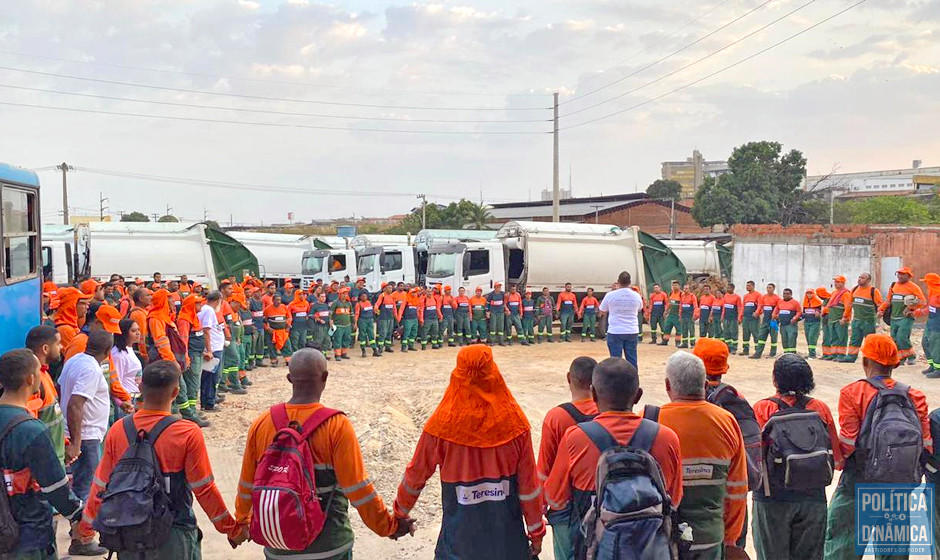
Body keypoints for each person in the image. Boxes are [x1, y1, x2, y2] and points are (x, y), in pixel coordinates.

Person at [236, 349, 412, 558]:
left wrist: (241, 524)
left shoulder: (262, 424)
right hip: (330, 546)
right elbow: (358, 489)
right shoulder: (337, 426)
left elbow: (247, 485)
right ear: (325, 377)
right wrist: (389, 526)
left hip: (278, 546)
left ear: (289, 378)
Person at [79, 360, 247, 558]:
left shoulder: (118, 430)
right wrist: (231, 529)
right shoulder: (186, 433)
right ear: (175, 393)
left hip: (128, 533)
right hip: (173, 534)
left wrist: (86, 526)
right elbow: (204, 489)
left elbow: (101, 483)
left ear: (140, 387)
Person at [394, 345, 544, 558]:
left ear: (457, 375)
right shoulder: (515, 425)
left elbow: (415, 475)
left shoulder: (441, 426)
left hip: (458, 543)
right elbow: (529, 487)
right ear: (493, 373)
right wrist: (536, 533)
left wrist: (400, 514)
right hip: (507, 542)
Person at [545, 357, 683, 560]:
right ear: (638, 396)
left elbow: (555, 498)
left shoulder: (576, 438)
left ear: (593, 394)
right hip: (650, 548)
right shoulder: (666, 437)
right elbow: (675, 498)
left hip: (599, 549)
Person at [823, 334, 932, 558]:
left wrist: (839, 461)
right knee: (894, 551)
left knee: (842, 547)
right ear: (895, 364)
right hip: (900, 486)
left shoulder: (853, 393)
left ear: (865, 362)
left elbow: (848, 444)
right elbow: (926, 445)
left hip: (858, 484)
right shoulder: (915, 396)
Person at [655, 351, 749, 560]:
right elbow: (737, 487)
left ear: (668, 386)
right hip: (711, 537)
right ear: (705, 386)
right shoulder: (727, 422)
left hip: (663, 538)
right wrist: (731, 538)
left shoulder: (651, 421)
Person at [751, 355, 843, 560]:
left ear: (776, 380)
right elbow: (837, 461)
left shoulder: (762, 408)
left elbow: (755, 459)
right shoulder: (820, 408)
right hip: (813, 499)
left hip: (772, 499)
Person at [0, 349, 83, 560]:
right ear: (30, 379)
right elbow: (55, 486)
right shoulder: (31, 430)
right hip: (27, 535)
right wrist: (78, 515)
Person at [537, 356, 599, 560]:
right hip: (602, 502)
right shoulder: (605, 412)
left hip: (565, 506)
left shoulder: (556, 417)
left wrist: (540, 506)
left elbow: (544, 469)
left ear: (568, 379)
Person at [59, 329, 114, 556]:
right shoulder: (91, 368)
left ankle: (79, 533)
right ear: (108, 351)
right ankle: (82, 539)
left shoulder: (75, 360)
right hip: (87, 437)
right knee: (86, 489)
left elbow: (62, 388)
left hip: (81, 433)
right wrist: (77, 442)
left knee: (84, 486)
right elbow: (75, 404)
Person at [25, 325, 67, 466]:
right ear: (45, 349)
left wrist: (64, 442)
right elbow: (31, 431)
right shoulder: (34, 383)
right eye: (58, 343)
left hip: (55, 460)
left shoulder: (44, 374)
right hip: (47, 466)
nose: (61, 347)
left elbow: (52, 415)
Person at [879, 266, 927, 365]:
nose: (900, 276)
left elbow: (923, 302)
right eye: (899, 274)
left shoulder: (913, 287)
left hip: (906, 318)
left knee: (902, 337)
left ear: (908, 276)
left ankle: (911, 356)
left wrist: (910, 307)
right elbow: (888, 300)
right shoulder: (893, 286)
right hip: (894, 318)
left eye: (902, 274)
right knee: (894, 339)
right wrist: (881, 309)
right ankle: (900, 358)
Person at [176, 294, 211, 427]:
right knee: (192, 382)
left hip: (196, 353)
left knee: (193, 383)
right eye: (197, 303)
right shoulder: (185, 320)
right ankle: (189, 413)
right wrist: (186, 357)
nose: (200, 305)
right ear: (191, 305)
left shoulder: (193, 317)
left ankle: (192, 410)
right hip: (191, 354)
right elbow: (184, 340)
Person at [598, 271, 644, 368]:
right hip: (632, 331)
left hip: (615, 331)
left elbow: (602, 310)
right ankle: (632, 381)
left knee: (615, 361)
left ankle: (616, 381)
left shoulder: (610, 295)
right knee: (632, 359)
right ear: (630, 282)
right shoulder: (636, 295)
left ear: (618, 282)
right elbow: (640, 308)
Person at [842, 272, 884, 363]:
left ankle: (871, 358)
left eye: (863, 278)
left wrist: (880, 313)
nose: (859, 279)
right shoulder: (854, 289)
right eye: (859, 277)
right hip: (856, 320)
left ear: (868, 280)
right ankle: (851, 357)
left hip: (868, 321)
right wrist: (845, 316)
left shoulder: (873, 291)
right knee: (854, 339)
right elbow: (849, 305)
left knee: (870, 341)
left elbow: (880, 304)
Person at [198, 291, 225, 413]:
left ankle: (207, 400)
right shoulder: (208, 310)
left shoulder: (206, 309)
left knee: (209, 376)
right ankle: (209, 402)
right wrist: (209, 350)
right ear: (218, 300)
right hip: (213, 349)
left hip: (214, 347)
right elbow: (206, 331)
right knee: (211, 377)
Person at [110, 319, 143, 407]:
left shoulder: (129, 349)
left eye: (138, 330)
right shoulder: (118, 355)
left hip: (133, 397)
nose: (138, 333)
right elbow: (116, 382)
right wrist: (122, 402)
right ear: (124, 333)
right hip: (126, 400)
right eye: (133, 331)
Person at [823, 275, 853, 362]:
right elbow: (829, 305)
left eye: (838, 282)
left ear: (843, 283)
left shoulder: (846, 294)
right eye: (835, 282)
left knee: (842, 337)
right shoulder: (834, 293)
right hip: (832, 319)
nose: (835, 283)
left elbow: (848, 306)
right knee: (834, 337)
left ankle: (841, 355)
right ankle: (834, 354)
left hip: (840, 320)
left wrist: (845, 317)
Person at [916, 272, 940, 377]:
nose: (926, 285)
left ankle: (938, 369)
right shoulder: (932, 293)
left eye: (927, 282)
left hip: (938, 324)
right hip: (931, 321)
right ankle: (932, 365)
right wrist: (919, 312)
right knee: (925, 342)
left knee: (936, 346)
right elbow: (930, 308)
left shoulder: (938, 294)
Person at [750, 283, 781, 359]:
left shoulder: (777, 298)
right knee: (761, 337)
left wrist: (777, 316)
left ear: (773, 288)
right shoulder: (764, 297)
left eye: (770, 287)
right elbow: (761, 306)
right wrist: (757, 313)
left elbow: (780, 308)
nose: (768, 289)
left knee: (773, 337)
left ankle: (772, 353)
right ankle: (758, 353)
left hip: (773, 321)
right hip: (765, 321)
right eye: (767, 287)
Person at [264, 293, 292, 366]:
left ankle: (288, 360)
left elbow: (289, 317)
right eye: (277, 300)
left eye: (279, 300)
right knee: (272, 346)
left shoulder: (284, 307)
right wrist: (267, 328)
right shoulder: (267, 309)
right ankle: (274, 360)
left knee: (287, 345)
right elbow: (264, 320)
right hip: (272, 332)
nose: (278, 301)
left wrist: (288, 325)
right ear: (273, 300)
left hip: (283, 331)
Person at [773, 288, 802, 354]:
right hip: (782, 325)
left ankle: (792, 353)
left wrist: (795, 318)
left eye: (787, 294)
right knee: (784, 340)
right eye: (784, 293)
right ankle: (786, 353)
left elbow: (799, 312)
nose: (785, 295)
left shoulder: (795, 302)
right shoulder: (780, 302)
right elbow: (776, 310)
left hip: (791, 325)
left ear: (791, 294)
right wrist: (775, 316)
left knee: (791, 339)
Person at [128, 287, 152, 362]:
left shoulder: (141, 312)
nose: (150, 297)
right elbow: (141, 337)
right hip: (141, 354)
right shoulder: (139, 314)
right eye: (148, 295)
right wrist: (144, 355)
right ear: (141, 298)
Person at [800, 288, 824, 359]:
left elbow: (822, 311)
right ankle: (810, 353)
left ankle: (812, 354)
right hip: (807, 322)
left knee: (812, 338)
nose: (809, 295)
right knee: (808, 338)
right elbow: (804, 313)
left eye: (810, 293)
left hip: (815, 322)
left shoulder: (818, 302)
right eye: (807, 293)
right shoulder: (805, 302)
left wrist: (819, 312)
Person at [330, 287, 353, 360]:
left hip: (347, 325)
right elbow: (330, 313)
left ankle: (344, 353)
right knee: (337, 340)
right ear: (340, 294)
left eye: (346, 294)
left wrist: (354, 322)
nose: (345, 295)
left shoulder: (349, 303)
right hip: (338, 325)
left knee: (347, 339)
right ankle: (337, 355)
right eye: (343, 294)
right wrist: (330, 321)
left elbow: (351, 314)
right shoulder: (335, 303)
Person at [739, 281, 761, 356]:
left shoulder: (758, 295)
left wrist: (757, 312)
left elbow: (760, 305)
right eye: (746, 285)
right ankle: (745, 350)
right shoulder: (745, 296)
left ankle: (757, 351)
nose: (747, 287)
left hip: (753, 319)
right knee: (745, 334)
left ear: (753, 286)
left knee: (756, 334)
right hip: (745, 318)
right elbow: (743, 307)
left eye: (748, 286)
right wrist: (740, 317)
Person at [374, 283, 398, 353]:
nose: (390, 289)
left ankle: (388, 346)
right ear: (385, 289)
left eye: (391, 288)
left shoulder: (392, 296)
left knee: (389, 332)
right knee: (383, 332)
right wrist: (376, 311)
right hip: (383, 318)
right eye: (389, 288)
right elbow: (377, 304)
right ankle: (380, 347)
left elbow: (394, 307)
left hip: (390, 317)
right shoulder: (382, 296)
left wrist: (396, 316)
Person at [355, 291, 380, 357]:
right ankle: (363, 351)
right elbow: (357, 314)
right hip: (362, 320)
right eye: (363, 296)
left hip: (370, 320)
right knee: (362, 335)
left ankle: (375, 350)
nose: (364, 297)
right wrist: (355, 323)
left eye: (365, 296)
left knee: (371, 335)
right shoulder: (358, 304)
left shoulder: (369, 303)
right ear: (360, 297)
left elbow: (373, 311)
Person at [288, 289, 311, 359]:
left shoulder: (306, 303)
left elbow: (308, 313)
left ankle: (302, 356)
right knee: (295, 342)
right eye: (300, 294)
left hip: (304, 326)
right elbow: (288, 315)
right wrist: (289, 324)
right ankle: (295, 356)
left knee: (303, 341)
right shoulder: (291, 304)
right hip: (295, 327)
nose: (302, 296)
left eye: (303, 294)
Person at [310, 291, 334, 359]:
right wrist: (318, 319)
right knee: (318, 341)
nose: (323, 298)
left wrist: (331, 322)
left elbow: (329, 315)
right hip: (318, 326)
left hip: (327, 326)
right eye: (322, 297)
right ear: (318, 297)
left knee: (327, 341)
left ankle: (324, 355)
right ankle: (316, 356)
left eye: (324, 297)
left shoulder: (326, 305)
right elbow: (311, 315)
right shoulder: (315, 306)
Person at [397, 287, 421, 352]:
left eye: (415, 293)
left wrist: (419, 318)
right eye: (412, 293)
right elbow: (401, 309)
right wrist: (399, 317)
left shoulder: (416, 300)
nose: (414, 294)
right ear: (410, 293)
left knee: (414, 333)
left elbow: (418, 309)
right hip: (407, 319)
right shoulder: (406, 299)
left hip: (415, 319)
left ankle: (411, 346)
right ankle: (403, 347)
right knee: (406, 333)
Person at [720, 284, 742, 353]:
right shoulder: (725, 296)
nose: (727, 289)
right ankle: (728, 347)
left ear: (733, 288)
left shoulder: (737, 297)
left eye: (729, 288)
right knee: (726, 333)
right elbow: (724, 307)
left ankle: (734, 348)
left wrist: (739, 318)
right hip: (726, 318)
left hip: (733, 318)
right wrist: (722, 316)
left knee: (734, 333)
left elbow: (739, 308)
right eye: (727, 288)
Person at [660, 280, 682, 347]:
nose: (674, 287)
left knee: (678, 329)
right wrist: (666, 311)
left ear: (679, 286)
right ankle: (665, 341)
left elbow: (682, 304)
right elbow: (670, 303)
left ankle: (678, 342)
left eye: (676, 285)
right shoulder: (671, 293)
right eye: (673, 285)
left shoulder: (681, 294)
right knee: (667, 327)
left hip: (677, 315)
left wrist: (680, 314)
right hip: (671, 314)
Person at [249, 288, 267, 367]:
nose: (259, 294)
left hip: (261, 326)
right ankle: (251, 362)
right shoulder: (251, 302)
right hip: (254, 327)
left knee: (260, 344)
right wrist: (252, 325)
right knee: (253, 345)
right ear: (253, 293)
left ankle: (259, 360)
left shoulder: (260, 302)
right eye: (257, 292)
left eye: (260, 292)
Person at [678, 283, 700, 349]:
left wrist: (694, 315)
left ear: (689, 289)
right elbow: (681, 306)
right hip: (683, 316)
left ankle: (693, 343)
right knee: (684, 330)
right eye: (684, 288)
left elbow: (695, 306)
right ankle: (684, 343)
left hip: (690, 316)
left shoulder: (692, 296)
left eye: (687, 288)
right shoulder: (682, 296)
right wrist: (680, 315)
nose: (685, 290)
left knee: (691, 330)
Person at [815, 287, 832, 359]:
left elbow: (829, 309)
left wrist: (822, 311)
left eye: (819, 294)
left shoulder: (830, 299)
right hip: (824, 319)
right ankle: (826, 354)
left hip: (829, 318)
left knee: (829, 337)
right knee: (826, 337)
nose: (819, 296)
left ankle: (830, 354)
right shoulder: (825, 300)